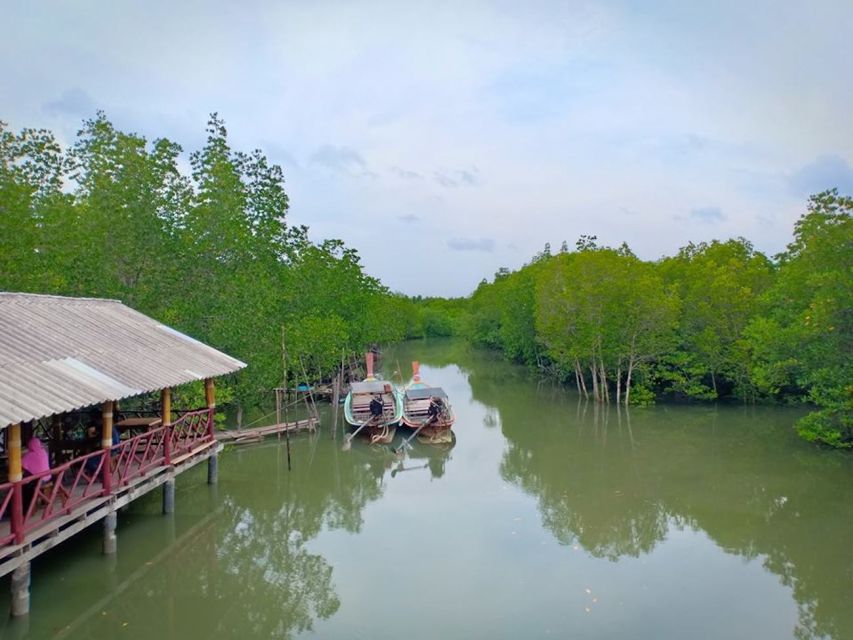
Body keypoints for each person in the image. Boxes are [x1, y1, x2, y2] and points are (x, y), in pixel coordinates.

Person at [21, 437, 51, 510]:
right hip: (47, 478)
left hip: (39, 480)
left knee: (23, 486)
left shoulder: (29, 455)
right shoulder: (43, 452)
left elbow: (21, 465)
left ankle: (25, 508)